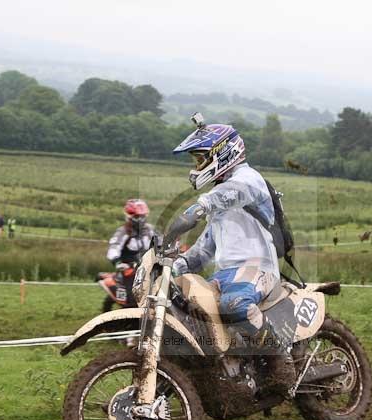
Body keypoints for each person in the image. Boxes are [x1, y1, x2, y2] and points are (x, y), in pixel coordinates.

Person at [164, 114, 293, 393]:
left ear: (221, 154)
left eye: (200, 159)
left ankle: (280, 360)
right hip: (226, 275)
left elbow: (231, 193)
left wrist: (198, 208)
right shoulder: (220, 203)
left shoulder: (248, 180)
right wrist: (174, 265)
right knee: (187, 310)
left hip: (258, 268)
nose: (196, 166)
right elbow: (204, 249)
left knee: (234, 304)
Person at [106, 199, 158, 304]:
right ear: (129, 217)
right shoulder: (123, 231)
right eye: (137, 217)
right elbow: (113, 248)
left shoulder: (150, 230)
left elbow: (161, 242)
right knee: (134, 298)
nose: (140, 220)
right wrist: (118, 262)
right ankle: (130, 316)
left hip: (149, 267)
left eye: (142, 216)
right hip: (130, 269)